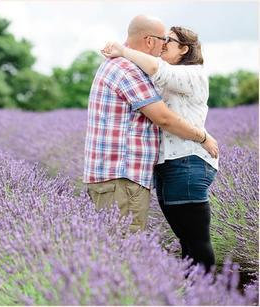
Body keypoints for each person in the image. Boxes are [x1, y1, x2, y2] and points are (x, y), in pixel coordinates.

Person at [83, 15, 218, 236]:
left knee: (113, 248)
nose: (164, 44)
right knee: (126, 249)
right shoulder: (129, 70)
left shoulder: (118, 65)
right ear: (149, 41)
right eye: (163, 38)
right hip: (122, 178)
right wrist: (203, 137)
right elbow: (163, 118)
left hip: (112, 177)